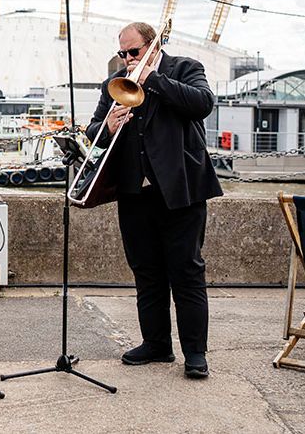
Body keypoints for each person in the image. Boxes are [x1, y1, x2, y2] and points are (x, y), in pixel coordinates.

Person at [87, 22, 222, 379]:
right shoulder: (113, 84)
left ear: (152, 45)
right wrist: (109, 127)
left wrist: (153, 79)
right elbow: (93, 131)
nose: (128, 59)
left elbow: (202, 103)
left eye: (134, 52)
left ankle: (195, 352)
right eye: (124, 53)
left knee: (187, 272)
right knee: (146, 273)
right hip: (134, 192)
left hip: (181, 191)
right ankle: (157, 344)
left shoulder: (185, 68)